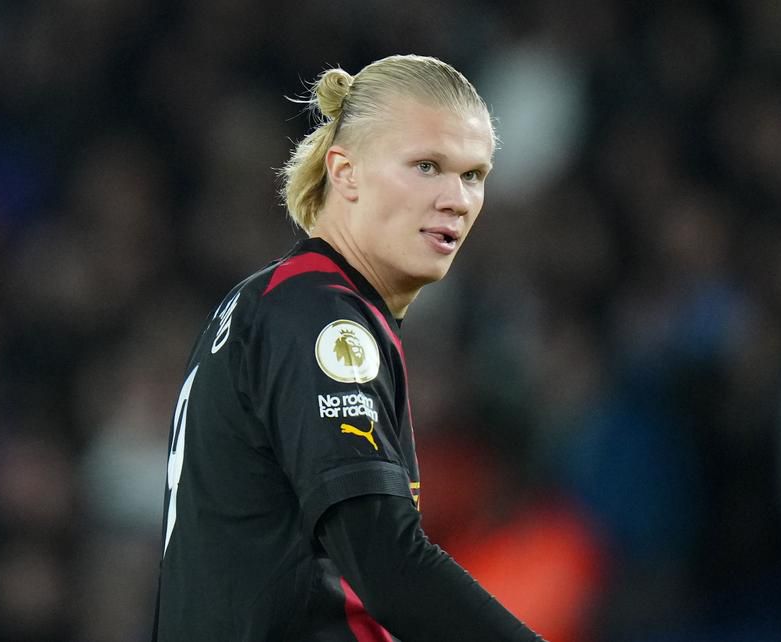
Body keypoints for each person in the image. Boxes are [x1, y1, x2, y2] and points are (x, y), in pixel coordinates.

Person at [152, 54, 544, 641]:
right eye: (427, 166)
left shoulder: (273, 302)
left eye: (473, 175)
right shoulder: (320, 316)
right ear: (345, 172)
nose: (457, 199)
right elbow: (382, 556)